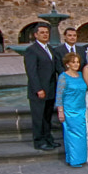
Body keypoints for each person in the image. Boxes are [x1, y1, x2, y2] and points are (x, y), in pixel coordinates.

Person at [24, 23, 59, 151]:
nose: (45, 34)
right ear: (36, 35)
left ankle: (48, 138)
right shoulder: (32, 50)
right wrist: (38, 89)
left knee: (47, 116)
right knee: (38, 117)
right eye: (42, 32)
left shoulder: (49, 48)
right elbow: (31, 72)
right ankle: (39, 141)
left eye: (46, 32)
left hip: (50, 89)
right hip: (39, 91)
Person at [55, 52, 88, 168]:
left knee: (82, 135)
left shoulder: (80, 75)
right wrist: (60, 111)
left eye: (78, 62)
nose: (76, 64)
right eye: (73, 62)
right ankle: (74, 160)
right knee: (73, 135)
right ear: (67, 64)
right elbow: (59, 96)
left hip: (82, 109)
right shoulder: (63, 77)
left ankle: (81, 158)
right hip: (70, 111)